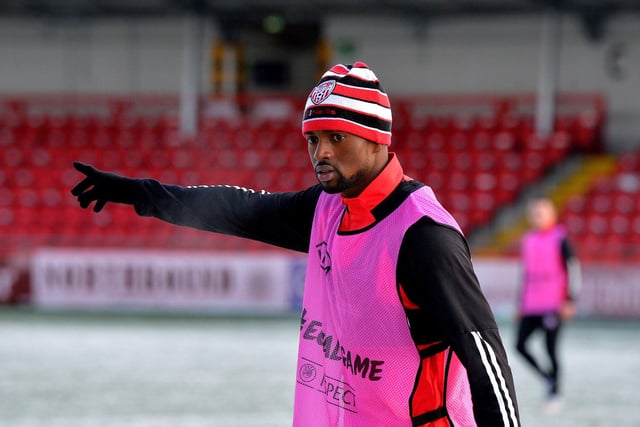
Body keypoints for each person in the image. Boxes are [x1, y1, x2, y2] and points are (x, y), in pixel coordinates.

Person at [71, 61, 520, 426]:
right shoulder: (328, 207)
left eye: (336, 138)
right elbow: (234, 209)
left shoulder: (423, 238)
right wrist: (138, 192)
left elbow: (486, 361)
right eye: (313, 139)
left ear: (376, 140)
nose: (320, 152)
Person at [515, 197, 581, 413]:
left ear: (552, 215)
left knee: (550, 349)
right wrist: (521, 303)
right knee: (520, 345)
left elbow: (573, 268)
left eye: (541, 212)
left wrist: (570, 299)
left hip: (553, 303)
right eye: (534, 213)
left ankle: (554, 394)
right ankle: (547, 379)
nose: (537, 216)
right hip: (532, 304)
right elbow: (526, 274)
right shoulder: (528, 240)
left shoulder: (560, 239)